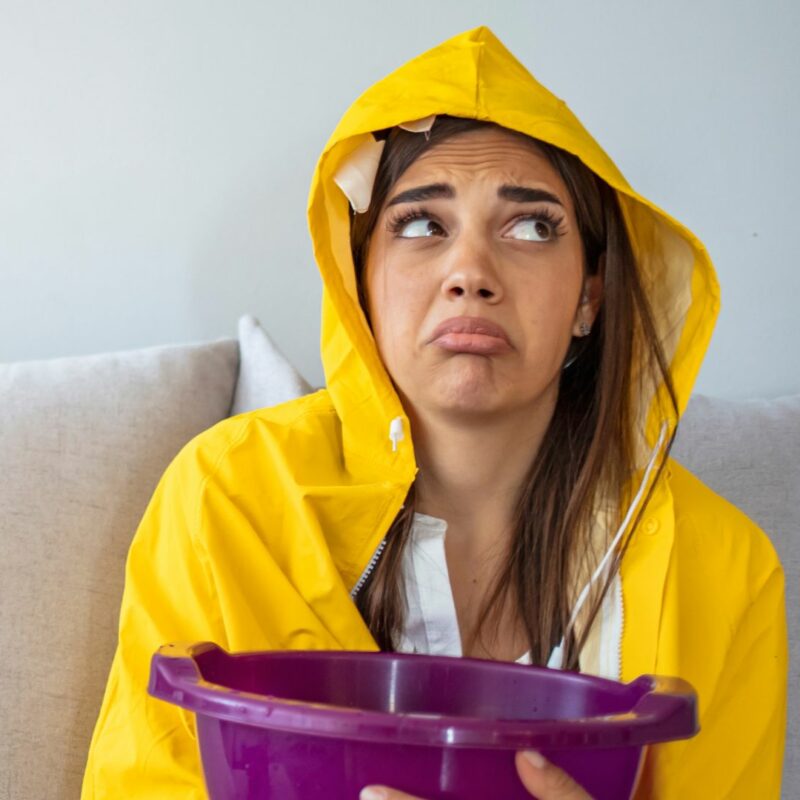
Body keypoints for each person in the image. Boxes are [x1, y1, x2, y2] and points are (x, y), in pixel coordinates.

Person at [81, 26, 787, 799]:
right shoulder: (225, 500)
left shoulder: (725, 569)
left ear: (590, 295)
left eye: (531, 226)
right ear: (362, 284)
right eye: (421, 224)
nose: (470, 274)